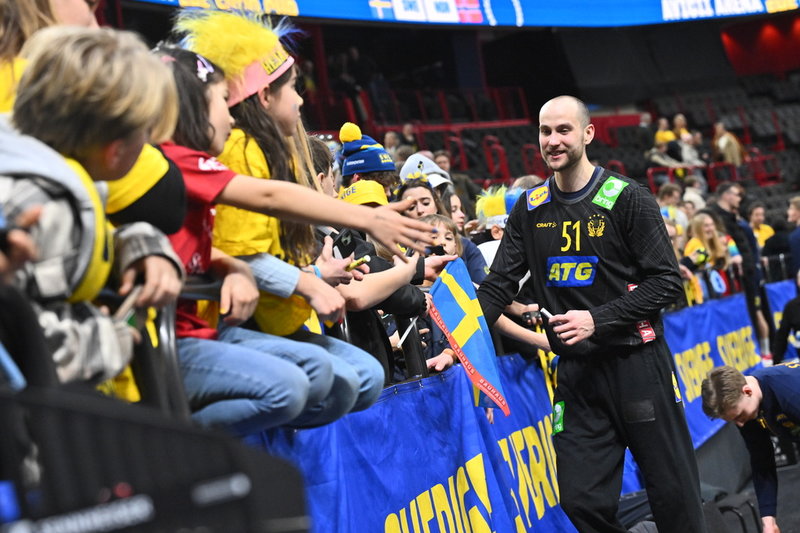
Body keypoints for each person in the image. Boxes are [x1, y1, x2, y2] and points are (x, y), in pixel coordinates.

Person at [477, 95, 706, 532]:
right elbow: (498, 286)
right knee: (580, 500)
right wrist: (459, 340)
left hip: (637, 365)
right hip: (578, 376)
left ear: (587, 133)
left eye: (563, 130)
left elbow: (666, 283)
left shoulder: (629, 198)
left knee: (674, 496)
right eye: (545, 131)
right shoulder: (529, 208)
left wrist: (595, 319)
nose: (553, 140)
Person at [3, 26, 184, 384]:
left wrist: (140, 244)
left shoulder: (25, 159)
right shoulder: (49, 205)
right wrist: (114, 337)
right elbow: (22, 341)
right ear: (116, 150)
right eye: (146, 133)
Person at [701, 364, 800, 533]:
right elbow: (762, 462)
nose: (740, 424)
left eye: (739, 416)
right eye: (732, 420)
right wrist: (768, 521)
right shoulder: (747, 411)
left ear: (747, 391)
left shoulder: (790, 393)